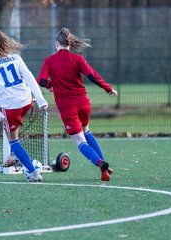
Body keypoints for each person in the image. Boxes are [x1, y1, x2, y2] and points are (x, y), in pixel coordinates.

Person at [37, 27, 117, 181]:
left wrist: (50, 85)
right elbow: (92, 76)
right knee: (86, 131)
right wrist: (108, 88)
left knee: (80, 141)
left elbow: (41, 81)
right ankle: (104, 166)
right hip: (83, 103)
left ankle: (100, 163)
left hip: (67, 107)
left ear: (56, 44)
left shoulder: (50, 61)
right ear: (69, 43)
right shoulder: (78, 59)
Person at [0, 28, 48, 182]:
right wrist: (41, 98)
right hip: (27, 101)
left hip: (11, 107)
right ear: (4, 41)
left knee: (13, 139)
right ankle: (12, 155)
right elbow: (29, 77)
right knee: (11, 131)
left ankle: (33, 172)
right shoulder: (16, 57)